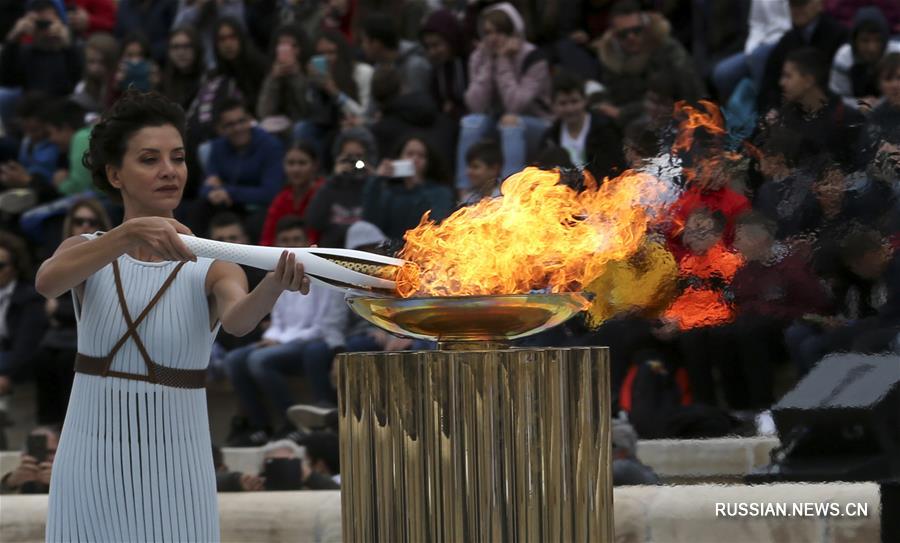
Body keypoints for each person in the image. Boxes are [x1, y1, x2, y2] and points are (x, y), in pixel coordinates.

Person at [36, 90, 313, 542]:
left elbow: (240, 321)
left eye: (178, 158)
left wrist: (275, 284)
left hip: (177, 465)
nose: (169, 170)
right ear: (115, 174)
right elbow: (48, 282)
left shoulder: (213, 262)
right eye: (149, 159)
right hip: (87, 460)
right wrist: (128, 234)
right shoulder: (86, 251)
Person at [224, 216, 347, 444]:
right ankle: (259, 427)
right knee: (234, 359)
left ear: (307, 241)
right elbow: (277, 321)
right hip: (286, 342)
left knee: (259, 360)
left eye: (296, 239)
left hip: (315, 344)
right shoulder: (276, 274)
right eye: (286, 241)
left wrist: (281, 340)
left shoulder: (326, 272)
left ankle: (293, 422)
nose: (293, 246)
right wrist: (272, 337)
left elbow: (326, 326)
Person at [456, 2, 553, 189]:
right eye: (487, 33)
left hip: (537, 124)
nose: (492, 38)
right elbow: (475, 105)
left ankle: (509, 190)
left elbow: (516, 104)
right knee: (471, 121)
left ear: (513, 32)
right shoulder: (479, 56)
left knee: (510, 121)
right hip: (498, 122)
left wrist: (503, 62)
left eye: (499, 32)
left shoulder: (533, 56)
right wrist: (488, 64)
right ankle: (464, 189)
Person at [33, 199, 111, 426]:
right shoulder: (59, 256)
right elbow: (43, 299)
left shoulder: (112, 254)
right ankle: (46, 427)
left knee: (69, 358)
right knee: (42, 356)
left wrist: (59, 310)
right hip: (59, 334)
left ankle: (73, 423)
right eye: (79, 221)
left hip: (94, 334)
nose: (85, 226)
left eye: (91, 221)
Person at [590, 0, 705, 128]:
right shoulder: (610, 57)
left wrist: (623, 113)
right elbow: (615, 97)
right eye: (623, 34)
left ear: (646, 28)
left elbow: (682, 94)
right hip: (627, 125)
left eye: (637, 31)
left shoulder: (667, 49)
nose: (631, 37)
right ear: (614, 36)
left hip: (676, 119)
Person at [192, 99, 285, 236]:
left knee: (259, 221)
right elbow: (206, 185)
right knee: (200, 207)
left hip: (257, 207)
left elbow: (270, 192)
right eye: (230, 124)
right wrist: (211, 192)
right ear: (220, 128)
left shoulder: (270, 146)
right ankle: (197, 253)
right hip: (228, 205)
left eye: (241, 121)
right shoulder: (217, 147)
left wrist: (227, 191)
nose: (237, 128)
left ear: (250, 120)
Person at [772, 47, 865, 169]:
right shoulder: (785, 117)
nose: (782, 83)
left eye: (788, 76)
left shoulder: (847, 118)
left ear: (808, 81)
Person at [757, 0, 848, 112]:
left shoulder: (839, 36)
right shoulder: (786, 41)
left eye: (802, 4)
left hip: (829, 111)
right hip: (789, 114)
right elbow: (769, 85)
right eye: (793, 5)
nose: (797, 10)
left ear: (819, 4)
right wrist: (771, 110)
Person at [539, 71, 625, 183]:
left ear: (585, 100)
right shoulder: (550, 137)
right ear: (553, 105)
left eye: (574, 102)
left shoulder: (605, 130)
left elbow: (616, 168)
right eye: (563, 103)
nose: (570, 109)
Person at [364, 135, 455, 240]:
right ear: (399, 158)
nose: (415, 159)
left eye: (421, 156)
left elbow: (436, 222)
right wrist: (377, 179)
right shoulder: (390, 192)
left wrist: (417, 186)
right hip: (388, 249)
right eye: (409, 154)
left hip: (422, 248)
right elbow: (370, 224)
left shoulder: (440, 192)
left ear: (428, 162)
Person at [305, 127, 377, 247]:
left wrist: (375, 180)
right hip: (334, 251)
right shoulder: (330, 186)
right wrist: (333, 179)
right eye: (348, 157)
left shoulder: (375, 187)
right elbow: (313, 221)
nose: (354, 162)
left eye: (359, 156)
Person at [0, 0, 81, 99]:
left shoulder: (71, 50)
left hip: (63, 107)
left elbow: (77, 80)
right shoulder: (26, 53)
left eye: (45, 23)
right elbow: (6, 80)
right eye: (38, 23)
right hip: (30, 109)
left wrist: (67, 44)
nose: (42, 30)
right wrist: (13, 37)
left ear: (60, 21)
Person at [711, 0, 791, 101]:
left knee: (759, 56)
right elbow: (756, 24)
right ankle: (737, 113)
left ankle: (765, 109)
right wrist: (751, 49)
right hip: (761, 44)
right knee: (723, 73)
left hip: (785, 41)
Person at [0, 231, 47, 399]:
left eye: (0, 265)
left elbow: (26, 345)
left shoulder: (28, 297)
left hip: (12, 359)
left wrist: (7, 375)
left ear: (15, 268)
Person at [829, 7, 900, 111]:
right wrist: (859, 104)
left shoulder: (897, 52)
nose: (872, 48)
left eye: (878, 40)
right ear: (854, 40)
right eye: (865, 40)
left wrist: (879, 105)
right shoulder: (844, 57)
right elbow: (836, 96)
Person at [261, 141, 325, 247]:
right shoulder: (282, 198)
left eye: (302, 163)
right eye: (291, 163)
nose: (296, 169)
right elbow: (267, 239)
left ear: (315, 165)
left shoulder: (324, 193)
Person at [359, 13, 431, 96]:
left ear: (376, 44)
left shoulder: (415, 66)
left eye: (364, 41)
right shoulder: (379, 68)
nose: (362, 46)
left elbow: (419, 105)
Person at [256, 23, 310, 130]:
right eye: (282, 45)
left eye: (293, 46)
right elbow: (263, 112)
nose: (287, 50)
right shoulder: (270, 71)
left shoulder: (310, 69)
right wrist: (273, 79)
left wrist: (297, 77)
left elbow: (308, 109)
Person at [113, 0, 177, 63]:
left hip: (160, 62)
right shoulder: (124, 5)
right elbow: (118, 37)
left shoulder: (169, 3)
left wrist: (147, 54)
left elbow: (174, 37)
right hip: (128, 63)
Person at [0, 426, 59, 494]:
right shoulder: (16, 472)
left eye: (51, 452)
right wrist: (9, 484)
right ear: (24, 455)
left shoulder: (69, 476)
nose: (44, 457)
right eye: (34, 452)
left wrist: (60, 484)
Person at [71, 31, 119, 112]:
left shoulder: (119, 87)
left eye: (102, 62)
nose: (95, 68)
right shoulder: (82, 87)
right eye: (91, 61)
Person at [160, 27, 206, 110]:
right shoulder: (163, 83)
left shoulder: (208, 80)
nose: (181, 53)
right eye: (175, 47)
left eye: (187, 46)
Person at [460, 139, 503, 207]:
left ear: (494, 169)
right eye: (469, 167)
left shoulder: (505, 199)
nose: (468, 172)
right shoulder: (468, 199)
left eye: (475, 167)